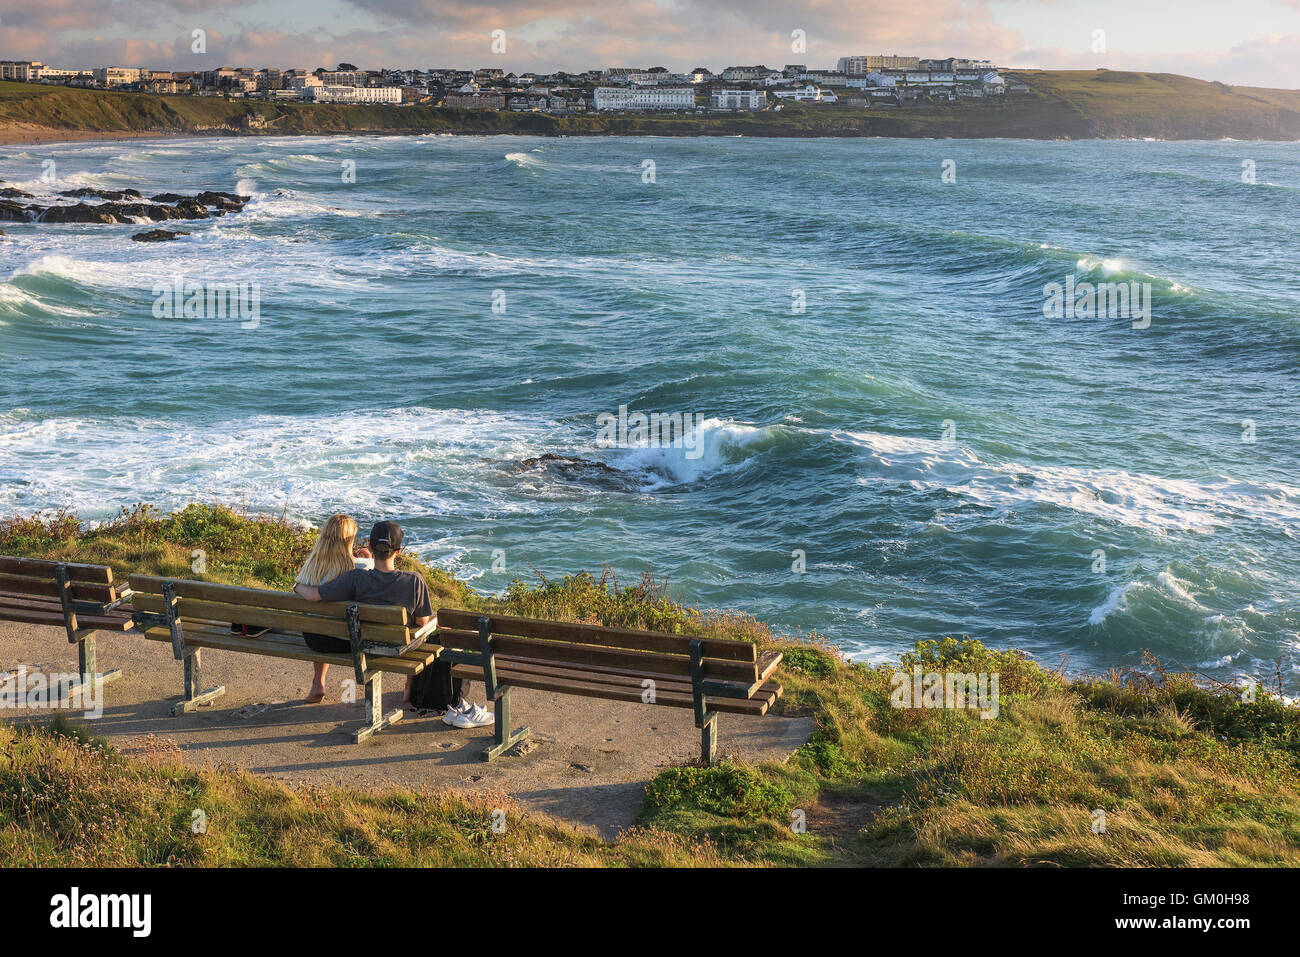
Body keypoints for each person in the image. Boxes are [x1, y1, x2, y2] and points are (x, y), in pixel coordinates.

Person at [294, 520, 493, 729]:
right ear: (399, 551)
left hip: (364, 644)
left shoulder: (354, 578)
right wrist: (435, 622)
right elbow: (422, 623)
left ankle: (429, 694)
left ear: (369, 547)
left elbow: (315, 594)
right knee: (442, 635)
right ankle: (446, 700)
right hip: (399, 649)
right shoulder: (414, 581)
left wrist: (297, 587)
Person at [293, 513, 370, 703]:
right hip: (348, 641)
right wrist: (370, 561)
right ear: (350, 539)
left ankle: (318, 683)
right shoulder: (357, 567)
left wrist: (296, 586)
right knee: (340, 624)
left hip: (314, 639)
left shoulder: (312, 564)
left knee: (321, 621)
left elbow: (307, 592)